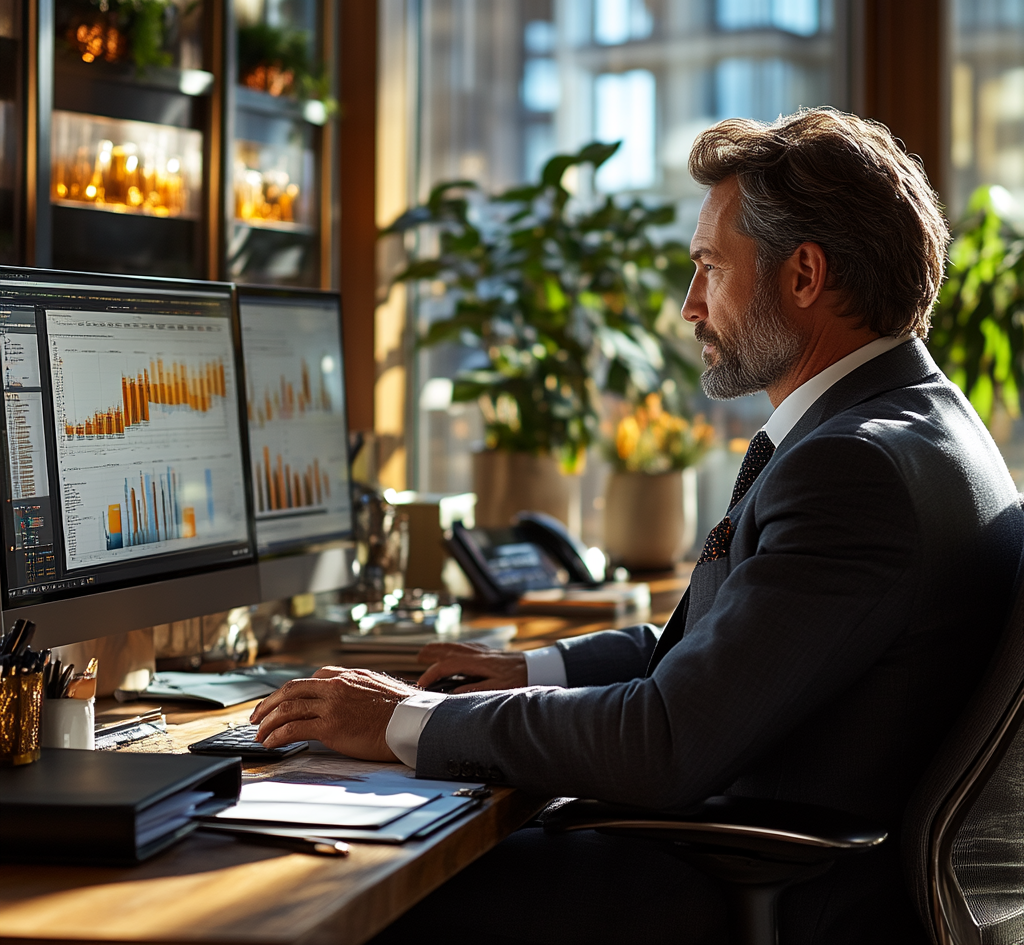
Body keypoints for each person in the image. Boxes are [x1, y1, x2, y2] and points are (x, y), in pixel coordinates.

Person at [250, 108, 1024, 944]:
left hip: (732, 891)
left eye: (709, 268)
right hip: (762, 863)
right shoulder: (922, 423)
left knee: (323, 894)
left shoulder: (854, 469)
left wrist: (404, 721)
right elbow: (737, 645)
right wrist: (535, 664)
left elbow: (665, 740)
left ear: (803, 275)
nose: (691, 306)